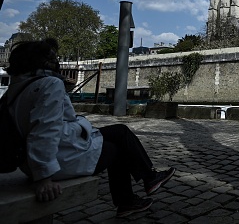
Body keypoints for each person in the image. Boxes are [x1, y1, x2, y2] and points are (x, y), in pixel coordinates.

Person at [4, 38, 176, 218]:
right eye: (53, 57)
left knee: (120, 132)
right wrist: (43, 178)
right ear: (40, 61)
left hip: (39, 157)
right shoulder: (49, 84)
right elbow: (43, 132)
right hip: (60, 159)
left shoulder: (16, 88)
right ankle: (132, 196)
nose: (57, 61)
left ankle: (145, 182)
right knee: (116, 148)